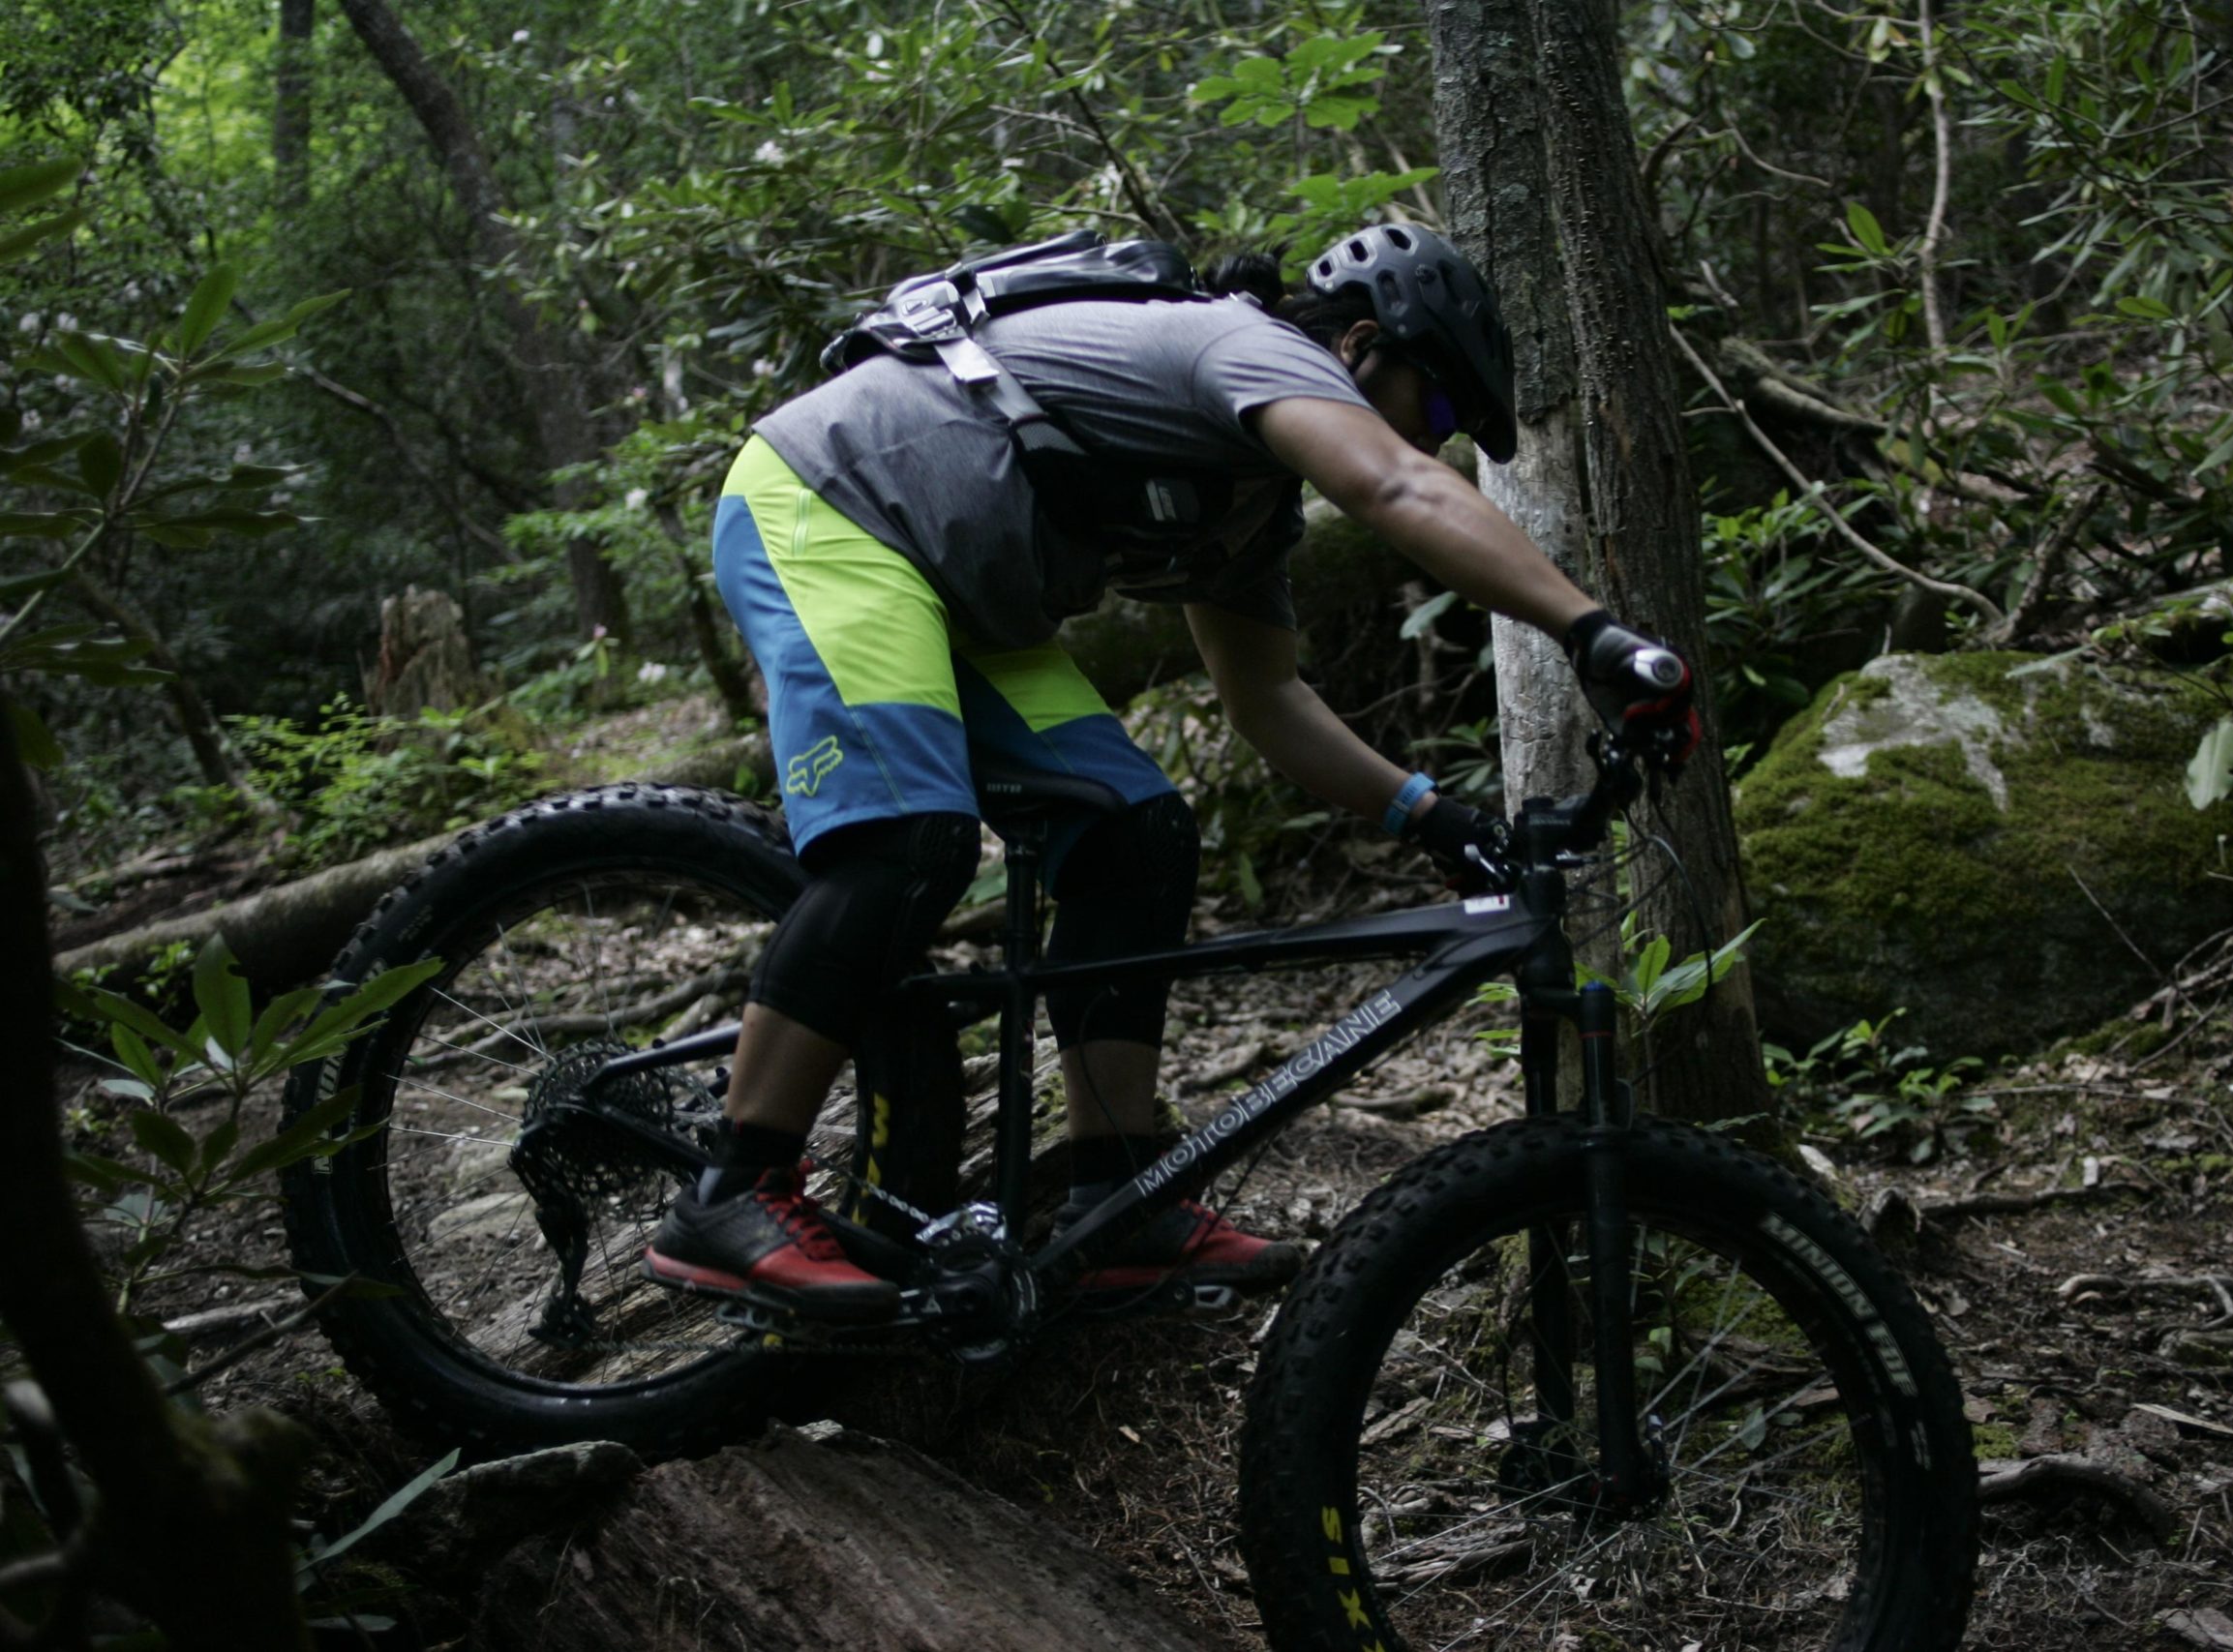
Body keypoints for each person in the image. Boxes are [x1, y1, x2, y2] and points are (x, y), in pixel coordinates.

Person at [643, 224, 1697, 1319]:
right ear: (1362, 345)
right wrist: (1596, 636)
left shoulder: (1246, 508)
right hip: (829, 506)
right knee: (913, 838)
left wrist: (1431, 817)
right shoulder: (1247, 350)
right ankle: (735, 1185)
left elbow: (1266, 702)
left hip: (958, 595)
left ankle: (1117, 1196)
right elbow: (1395, 491)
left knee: (1138, 830)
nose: (1427, 447)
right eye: (1431, 413)